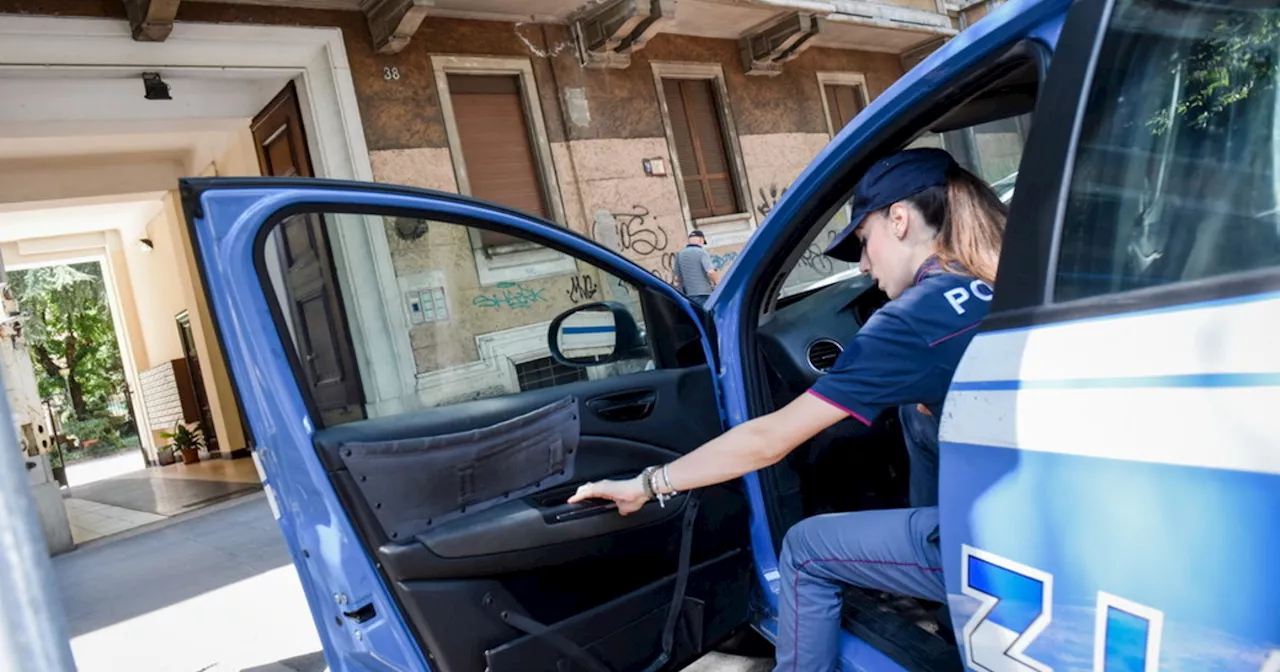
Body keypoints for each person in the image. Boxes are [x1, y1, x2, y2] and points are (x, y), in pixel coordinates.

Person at [567, 148, 1008, 671]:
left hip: (985, 548)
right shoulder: (1013, 281)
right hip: (1028, 515)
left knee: (804, 549)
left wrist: (647, 484)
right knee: (917, 414)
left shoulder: (913, 318)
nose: (865, 266)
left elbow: (767, 440)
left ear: (899, 218)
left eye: (864, 243)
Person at [672, 229, 719, 306]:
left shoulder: (680, 254)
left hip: (689, 295)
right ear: (701, 240)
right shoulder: (702, 252)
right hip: (704, 294)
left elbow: (677, 278)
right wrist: (717, 284)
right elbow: (710, 272)